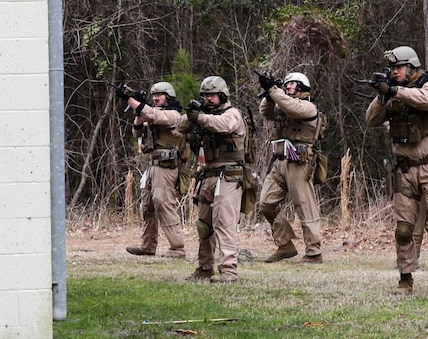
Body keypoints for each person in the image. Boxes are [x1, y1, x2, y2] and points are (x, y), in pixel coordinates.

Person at [365, 46, 428, 299]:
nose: (394, 72)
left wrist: (395, 90)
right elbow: (371, 119)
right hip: (405, 171)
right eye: (391, 69)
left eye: (398, 68)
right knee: (403, 229)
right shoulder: (392, 93)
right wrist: (382, 96)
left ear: (411, 67)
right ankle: (405, 278)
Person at [179, 76, 248, 284]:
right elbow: (180, 127)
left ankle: (229, 271)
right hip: (207, 176)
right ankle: (204, 267)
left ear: (222, 94)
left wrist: (199, 117)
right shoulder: (203, 114)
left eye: (212, 95)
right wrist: (192, 113)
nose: (209, 99)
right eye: (205, 96)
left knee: (224, 223)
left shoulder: (232, 113)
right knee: (204, 225)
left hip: (229, 176)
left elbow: (223, 126)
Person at [256, 72, 326, 264]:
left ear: (303, 88)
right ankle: (285, 244)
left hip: (300, 163)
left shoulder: (307, 107)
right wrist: (269, 95)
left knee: (305, 207)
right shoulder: (283, 103)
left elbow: (292, 107)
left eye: (292, 84)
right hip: (280, 162)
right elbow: (266, 113)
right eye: (286, 84)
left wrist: (273, 89)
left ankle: (314, 251)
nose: (288, 87)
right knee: (266, 203)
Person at [121, 82, 188, 259]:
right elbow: (137, 133)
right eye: (154, 95)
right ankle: (148, 245)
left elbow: (155, 115)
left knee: (163, 203)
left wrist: (132, 100)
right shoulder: (153, 113)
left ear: (169, 96)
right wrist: (138, 112)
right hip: (153, 166)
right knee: (148, 206)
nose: (156, 98)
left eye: (160, 95)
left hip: (167, 167)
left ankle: (177, 248)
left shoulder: (174, 115)